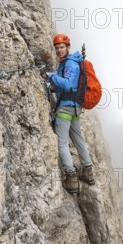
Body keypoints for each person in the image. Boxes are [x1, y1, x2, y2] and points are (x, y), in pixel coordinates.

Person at [44, 34, 95, 193]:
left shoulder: (70, 64)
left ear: (68, 47)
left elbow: (68, 84)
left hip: (66, 108)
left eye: (62, 47)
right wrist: (53, 87)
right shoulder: (71, 62)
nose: (59, 50)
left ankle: (71, 177)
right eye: (57, 48)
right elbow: (68, 86)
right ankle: (88, 171)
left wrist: (51, 75)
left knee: (62, 141)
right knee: (78, 138)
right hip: (74, 108)